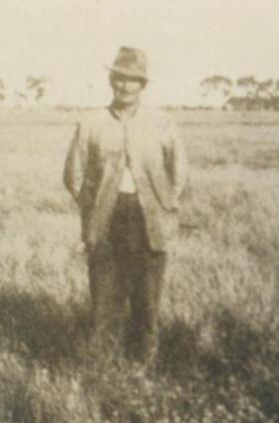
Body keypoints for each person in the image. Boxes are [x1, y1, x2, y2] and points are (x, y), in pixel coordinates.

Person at [63, 46, 188, 367]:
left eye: (134, 80)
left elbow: (179, 172)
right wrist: (93, 208)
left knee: (146, 303)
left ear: (143, 85)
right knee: (105, 302)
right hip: (106, 222)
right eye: (120, 78)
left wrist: (165, 205)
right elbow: (73, 174)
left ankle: (141, 370)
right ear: (111, 81)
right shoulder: (91, 122)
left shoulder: (162, 122)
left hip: (150, 223)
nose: (126, 86)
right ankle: (104, 373)